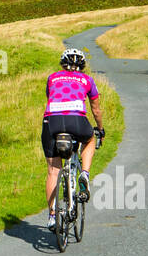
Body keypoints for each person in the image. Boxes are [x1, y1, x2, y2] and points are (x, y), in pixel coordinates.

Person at [43, 46, 105, 228]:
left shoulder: (52, 77)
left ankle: (53, 216)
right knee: (90, 139)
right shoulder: (87, 79)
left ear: (63, 64)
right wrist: (100, 128)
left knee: (53, 171)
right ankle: (84, 174)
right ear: (82, 65)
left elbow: (50, 97)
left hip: (51, 121)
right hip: (76, 120)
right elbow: (95, 109)